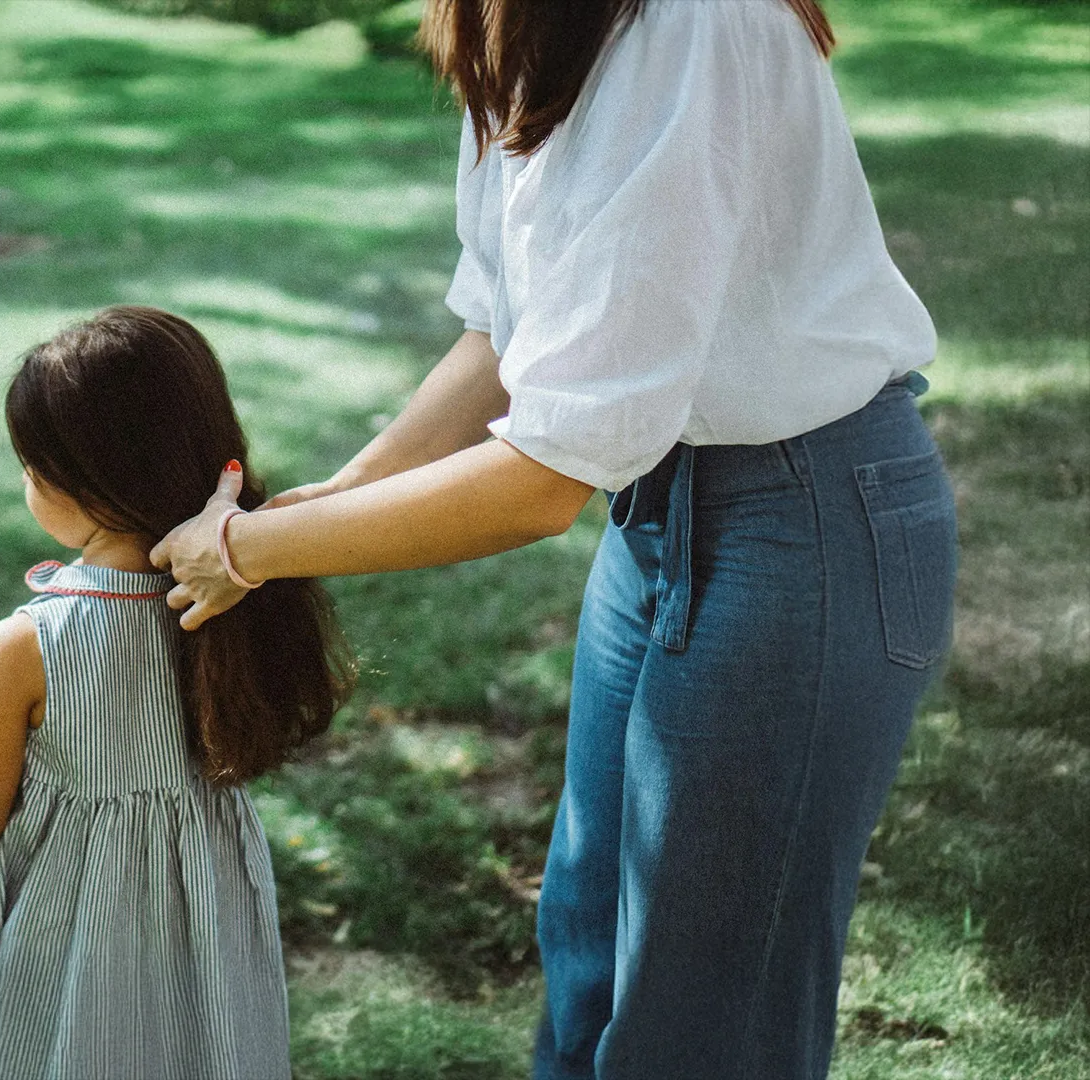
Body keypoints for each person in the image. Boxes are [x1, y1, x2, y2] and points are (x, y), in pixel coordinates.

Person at [151, 1, 958, 1078]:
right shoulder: (514, 20)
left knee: (705, 1015)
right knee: (589, 949)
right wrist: (316, 502)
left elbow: (543, 480)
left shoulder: (692, 27)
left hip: (802, 522)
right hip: (664, 513)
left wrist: (250, 555)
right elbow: (506, 332)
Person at [0, 306, 354, 1080]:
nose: (25, 480)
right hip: (195, 936)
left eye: (31, 467)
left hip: (61, 945)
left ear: (87, 484)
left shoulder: (28, 644)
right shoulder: (245, 589)